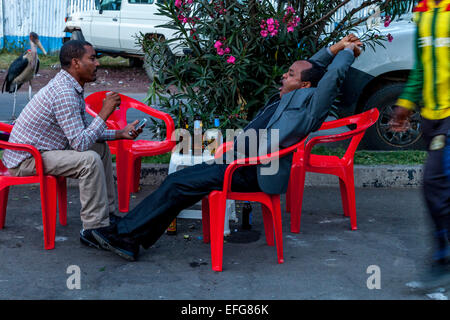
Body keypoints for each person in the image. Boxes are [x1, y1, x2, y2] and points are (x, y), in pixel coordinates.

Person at [91, 35, 363, 261]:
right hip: (239, 161)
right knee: (180, 183)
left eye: (289, 74)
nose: (283, 75)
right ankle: (131, 233)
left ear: (304, 85)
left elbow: (332, 75)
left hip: (252, 170)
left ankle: (125, 235)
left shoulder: (311, 105)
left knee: (177, 183)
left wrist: (348, 52)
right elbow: (312, 67)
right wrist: (337, 46)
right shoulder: (298, 91)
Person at [1, 40, 143, 249]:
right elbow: (80, 144)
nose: (98, 64)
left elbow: (85, 132)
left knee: (99, 149)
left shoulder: (70, 86)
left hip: (43, 151)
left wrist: (120, 133)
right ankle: (94, 229)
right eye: (92, 59)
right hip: (26, 159)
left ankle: (107, 216)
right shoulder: (64, 92)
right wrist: (105, 112)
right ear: (76, 63)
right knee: (89, 159)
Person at [390, 0, 449, 289]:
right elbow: (422, 66)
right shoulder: (424, 11)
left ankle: (443, 259)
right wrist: (405, 104)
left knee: (437, 184)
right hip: (432, 117)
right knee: (436, 189)